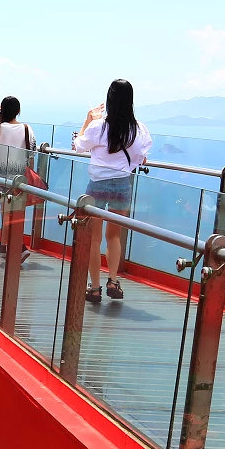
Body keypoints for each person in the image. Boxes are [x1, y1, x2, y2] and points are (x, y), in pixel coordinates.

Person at [73, 78, 152, 304]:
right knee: (114, 236)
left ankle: (95, 287)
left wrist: (88, 119)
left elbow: (79, 146)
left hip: (97, 186)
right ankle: (113, 280)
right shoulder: (138, 129)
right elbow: (141, 156)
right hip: (122, 185)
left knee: (94, 238)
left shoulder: (99, 126)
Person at [0, 95, 36, 260]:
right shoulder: (27, 129)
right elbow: (32, 152)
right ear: (18, 111)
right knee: (14, 213)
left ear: (1, 110)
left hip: (2, 176)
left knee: (6, 213)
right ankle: (4, 245)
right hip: (20, 176)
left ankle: (20, 248)